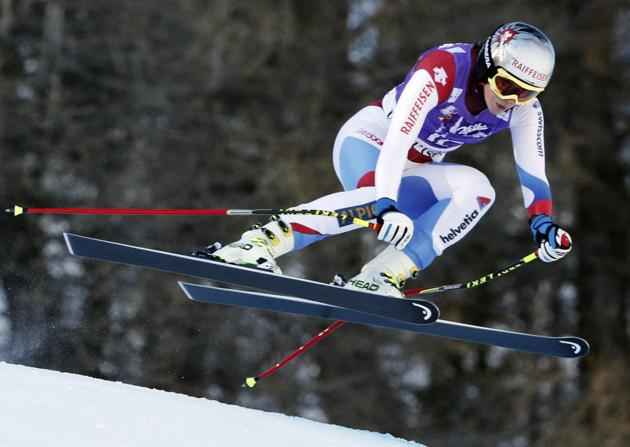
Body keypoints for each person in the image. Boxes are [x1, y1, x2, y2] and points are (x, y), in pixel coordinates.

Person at [194, 21, 573, 297]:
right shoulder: (443, 69)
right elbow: (399, 138)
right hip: (371, 141)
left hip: (417, 166)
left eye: (527, 93)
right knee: (372, 195)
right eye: (507, 85)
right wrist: (386, 202)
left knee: (478, 190)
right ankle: (258, 244)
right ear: (489, 66)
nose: (511, 100)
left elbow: (533, 173)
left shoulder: (524, 110)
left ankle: (381, 276)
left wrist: (543, 225)